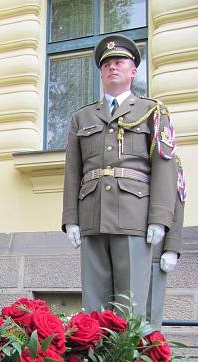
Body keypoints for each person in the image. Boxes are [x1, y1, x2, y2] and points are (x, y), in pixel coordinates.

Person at [62, 34, 184, 318]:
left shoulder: (152, 112)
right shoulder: (82, 117)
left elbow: (165, 167)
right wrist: (71, 218)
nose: (112, 67)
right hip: (92, 214)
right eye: (106, 64)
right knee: (94, 306)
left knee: (131, 305)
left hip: (134, 215)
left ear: (133, 71)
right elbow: (72, 171)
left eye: (119, 62)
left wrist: (160, 218)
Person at [147, 189, 185, 327]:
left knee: (148, 320)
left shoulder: (168, 167)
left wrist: (172, 247)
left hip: (153, 247)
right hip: (117, 239)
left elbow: (176, 199)